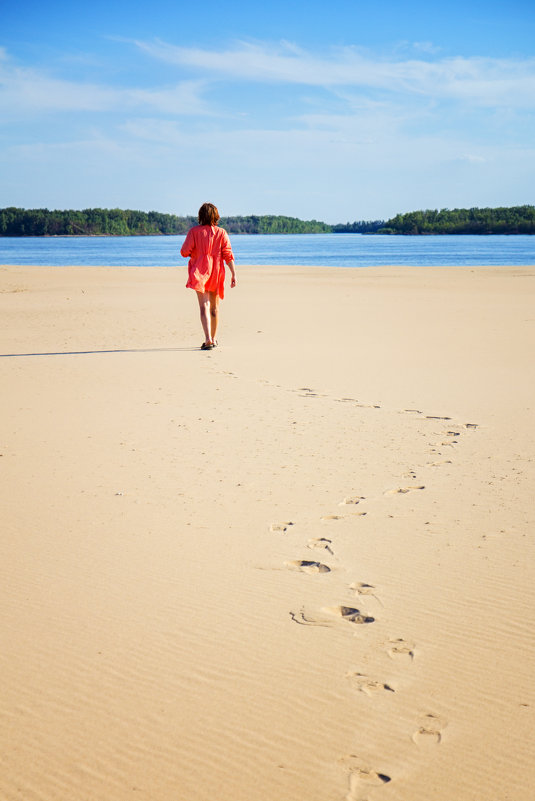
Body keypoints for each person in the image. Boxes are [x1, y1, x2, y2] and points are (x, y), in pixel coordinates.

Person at [180, 202, 237, 350]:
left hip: (200, 271)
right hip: (216, 272)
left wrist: (196, 252)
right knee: (215, 308)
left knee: (203, 306)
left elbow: (184, 251)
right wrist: (233, 274)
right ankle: (214, 339)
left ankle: (208, 339)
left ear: (201, 216)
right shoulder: (222, 233)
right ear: (216, 216)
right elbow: (228, 255)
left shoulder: (194, 232)